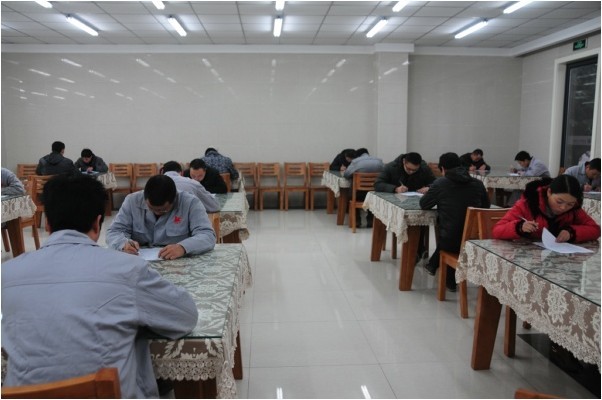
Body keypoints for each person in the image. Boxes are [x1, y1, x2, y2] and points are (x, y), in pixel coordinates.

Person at [1, 174, 198, 398]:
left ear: (47, 224)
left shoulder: (7, 274)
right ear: (97, 223)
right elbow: (185, 316)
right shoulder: (128, 270)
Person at [420, 153, 490, 291]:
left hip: (451, 240)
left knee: (451, 235)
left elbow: (424, 204)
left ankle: (441, 273)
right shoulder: (478, 183)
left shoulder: (440, 183)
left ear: (442, 169)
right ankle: (440, 272)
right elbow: (485, 207)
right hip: (476, 240)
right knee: (456, 231)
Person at [106, 174, 216, 259]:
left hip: (177, 265)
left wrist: (183, 247)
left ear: (174, 199)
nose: (157, 213)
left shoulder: (190, 203)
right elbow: (114, 231)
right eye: (151, 208)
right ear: (145, 197)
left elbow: (207, 235)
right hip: (139, 262)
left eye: (163, 210)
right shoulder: (132, 201)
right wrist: (123, 244)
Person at [493, 175, 600, 243]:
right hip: (530, 260)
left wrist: (571, 232)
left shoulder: (574, 210)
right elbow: (497, 230)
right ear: (549, 192)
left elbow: (595, 230)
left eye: (570, 204)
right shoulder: (527, 204)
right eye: (559, 202)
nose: (563, 207)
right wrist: (520, 227)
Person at [343, 148, 384, 228]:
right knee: (372, 196)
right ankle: (371, 221)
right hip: (374, 193)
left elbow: (346, 175)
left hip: (358, 193)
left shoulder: (356, 162)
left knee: (351, 194)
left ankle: (357, 221)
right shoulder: (379, 161)